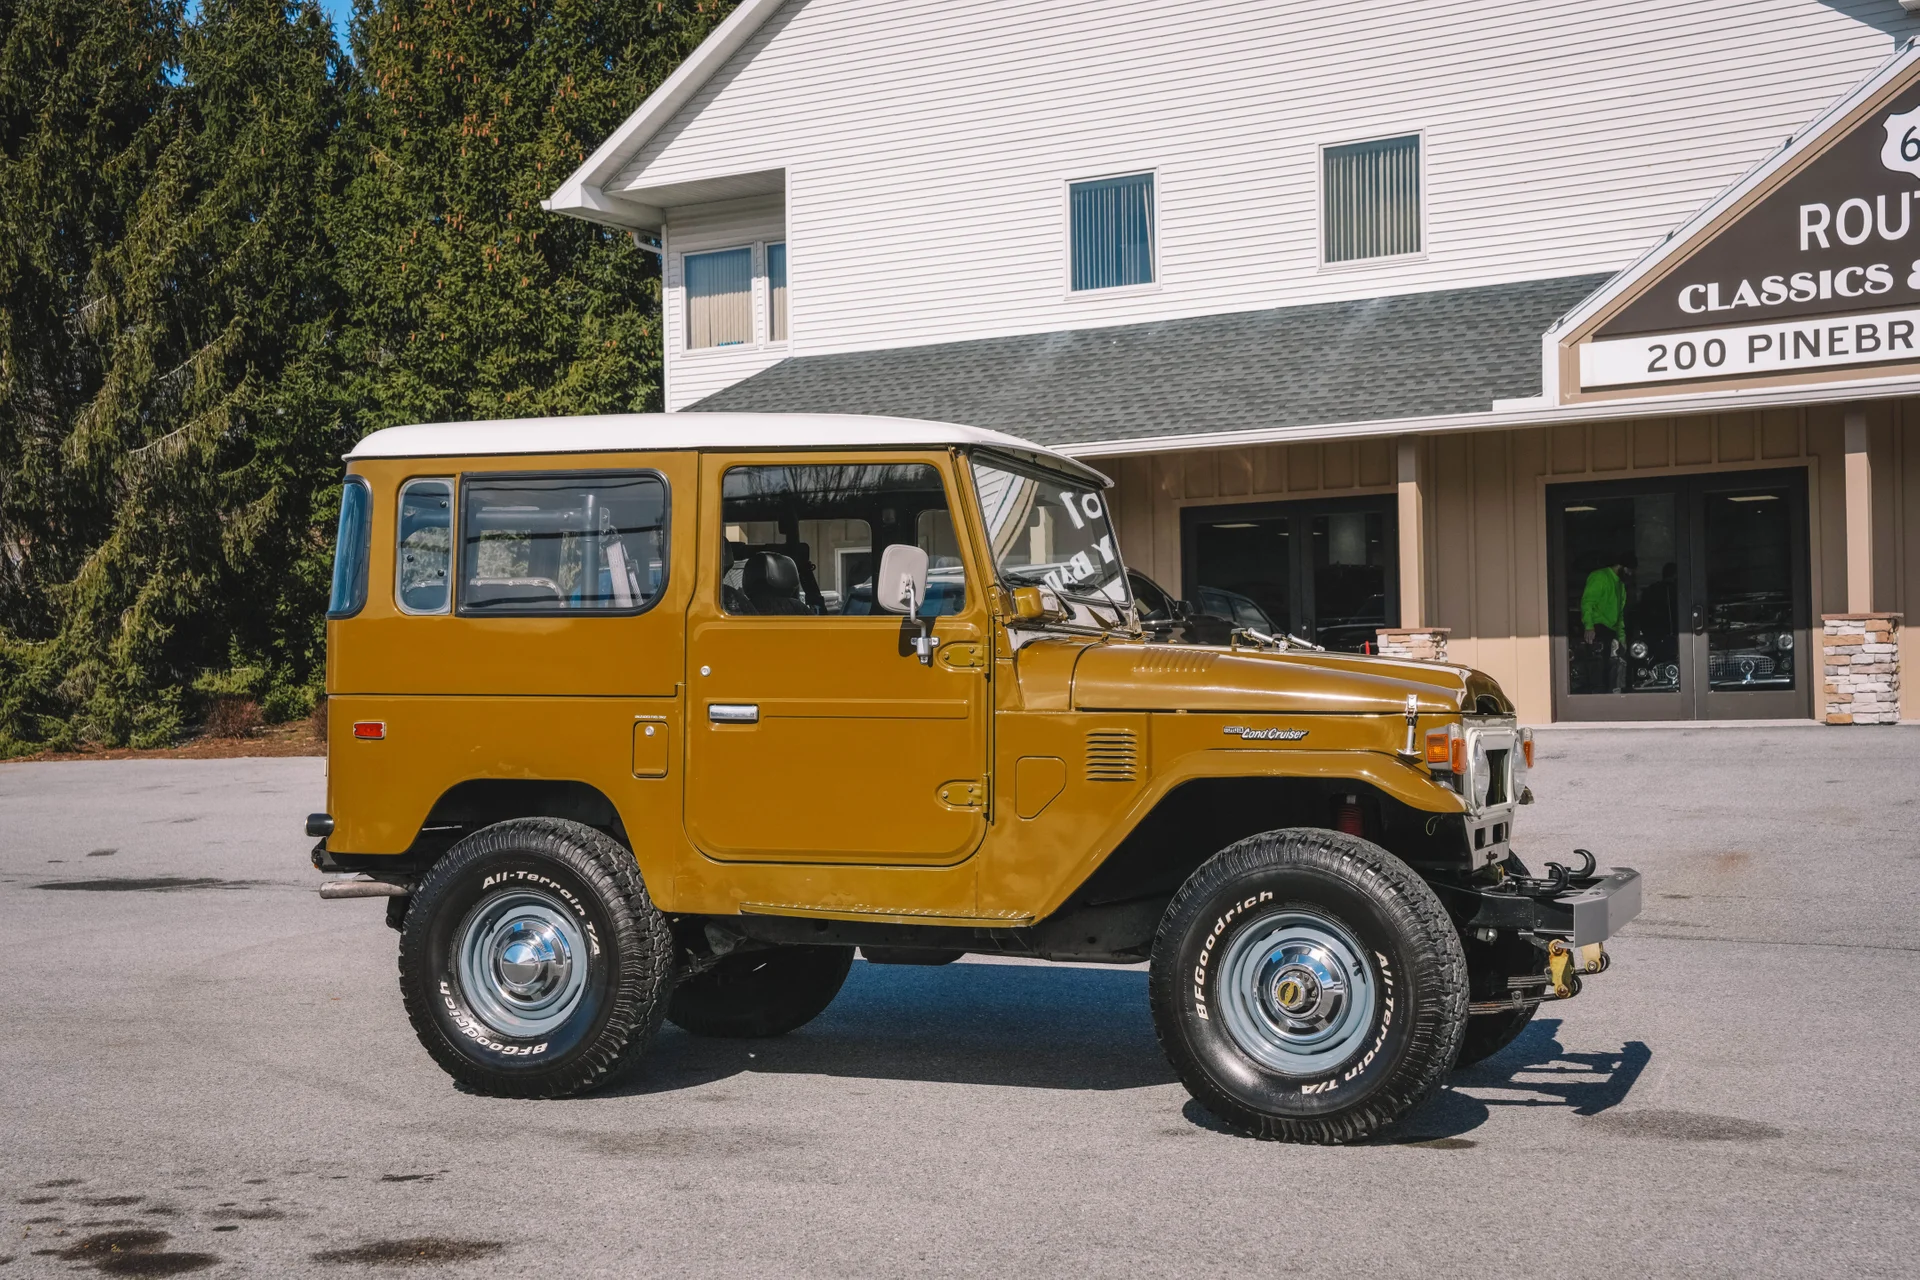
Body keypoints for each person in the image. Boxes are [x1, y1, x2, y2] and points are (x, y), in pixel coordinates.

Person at [1581, 554, 1634, 693]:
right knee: (1597, 673)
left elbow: (1620, 613)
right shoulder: (1600, 577)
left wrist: (1622, 637)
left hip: (1611, 630)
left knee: (1610, 672)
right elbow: (1588, 602)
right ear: (1621, 567)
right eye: (1629, 570)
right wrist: (1589, 626)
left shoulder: (1620, 585)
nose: (1630, 574)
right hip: (1598, 628)